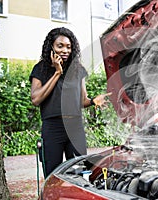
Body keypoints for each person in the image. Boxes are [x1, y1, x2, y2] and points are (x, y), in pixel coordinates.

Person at [29, 27, 111, 178]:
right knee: (53, 175)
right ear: (51, 47)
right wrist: (57, 73)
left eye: (68, 46)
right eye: (60, 46)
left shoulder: (78, 70)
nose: (65, 50)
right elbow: (36, 99)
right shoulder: (41, 68)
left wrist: (93, 101)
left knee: (80, 172)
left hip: (75, 128)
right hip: (53, 128)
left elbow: (81, 101)